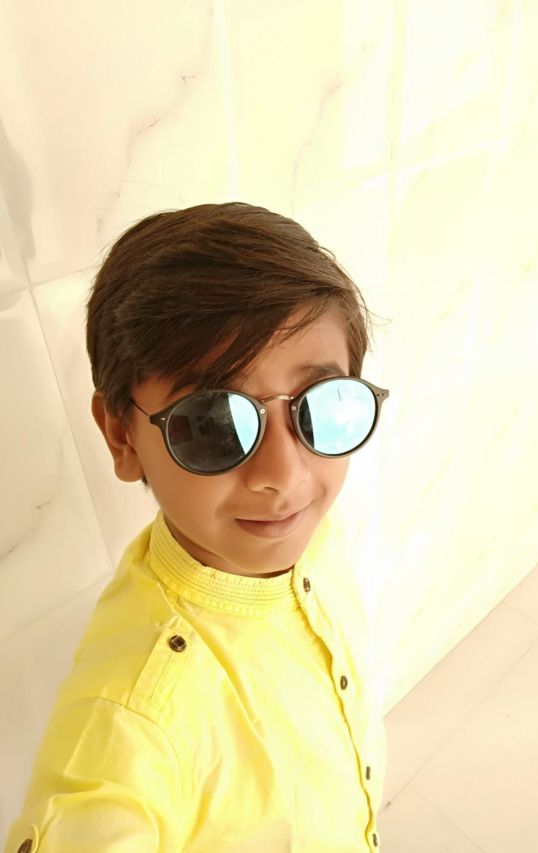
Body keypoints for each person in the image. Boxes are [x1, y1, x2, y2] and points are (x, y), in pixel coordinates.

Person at [5, 202, 390, 852]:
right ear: (121, 435)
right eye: (213, 422)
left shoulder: (305, 533)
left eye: (321, 404)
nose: (284, 474)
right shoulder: (131, 725)